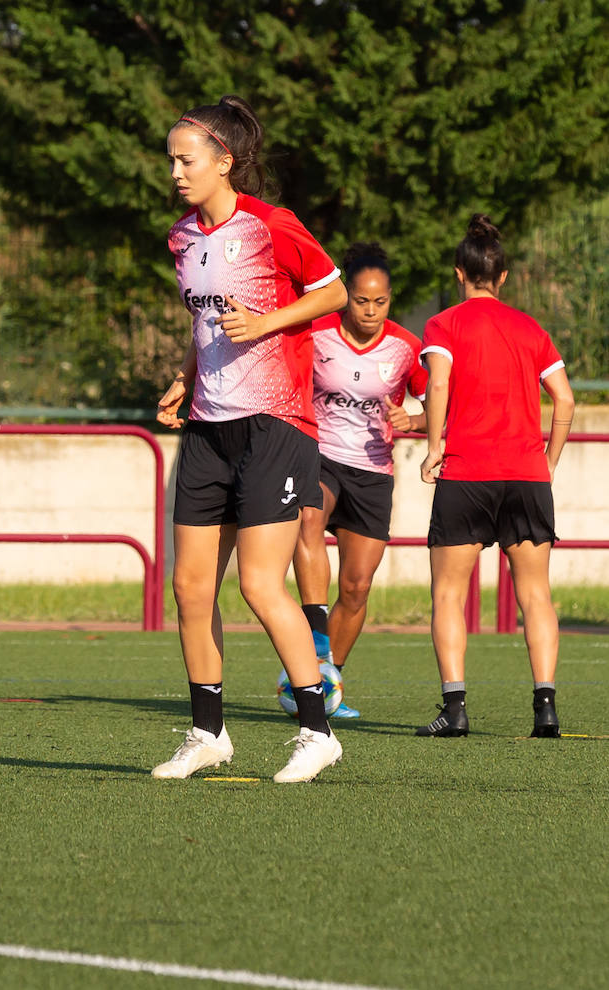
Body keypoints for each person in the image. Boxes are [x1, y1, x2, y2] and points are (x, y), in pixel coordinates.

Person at [154, 96, 348, 783]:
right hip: (209, 428)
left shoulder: (272, 225)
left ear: (223, 162)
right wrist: (185, 377)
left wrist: (267, 324)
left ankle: (316, 732)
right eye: (171, 159)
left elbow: (332, 293)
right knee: (189, 586)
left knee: (262, 586)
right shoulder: (182, 238)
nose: (176, 171)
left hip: (276, 424)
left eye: (187, 159)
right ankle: (208, 733)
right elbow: (205, 328)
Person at [417, 214, 574, 738]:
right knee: (536, 595)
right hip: (526, 476)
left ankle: (455, 709)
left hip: (467, 475)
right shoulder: (531, 329)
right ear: (502, 277)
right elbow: (566, 400)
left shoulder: (444, 325)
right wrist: (546, 463)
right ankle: (546, 707)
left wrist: (436, 446)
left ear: (459, 272)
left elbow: (437, 385)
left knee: (447, 595)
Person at [292, 243, 428, 719]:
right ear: (346, 296)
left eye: (380, 302)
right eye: (360, 300)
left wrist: (414, 421)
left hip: (374, 473)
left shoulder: (406, 348)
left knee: (356, 587)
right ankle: (315, 630)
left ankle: (327, 677)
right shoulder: (317, 333)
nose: (370, 311)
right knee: (308, 519)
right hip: (321, 456)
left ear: (390, 300)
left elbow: (440, 407)